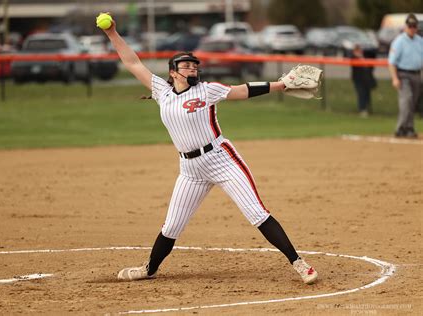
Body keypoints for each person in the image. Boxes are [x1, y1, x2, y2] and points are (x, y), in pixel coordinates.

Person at [101, 15, 318, 285]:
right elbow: (133, 62)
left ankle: (299, 263)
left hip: (221, 159)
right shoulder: (162, 92)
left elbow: (243, 90)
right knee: (172, 226)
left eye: (194, 66)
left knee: (257, 213)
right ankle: (150, 268)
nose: (192, 69)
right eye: (186, 66)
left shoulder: (207, 90)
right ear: (173, 72)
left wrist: (280, 85)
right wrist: (112, 33)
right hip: (190, 170)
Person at [388, 13, 423, 138]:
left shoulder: (420, 41)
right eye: (410, 26)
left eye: (414, 26)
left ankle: (409, 128)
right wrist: (395, 78)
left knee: (412, 103)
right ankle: (401, 128)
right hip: (403, 74)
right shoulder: (399, 41)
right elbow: (391, 62)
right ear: (406, 26)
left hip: (417, 74)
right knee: (406, 100)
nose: (412, 28)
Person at [350, 44, 376, 118]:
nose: (359, 51)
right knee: (361, 94)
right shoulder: (353, 57)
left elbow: (373, 54)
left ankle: (368, 108)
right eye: (357, 50)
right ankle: (362, 109)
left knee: (367, 94)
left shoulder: (365, 56)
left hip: (366, 79)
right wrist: (356, 55)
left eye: (360, 50)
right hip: (358, 79)